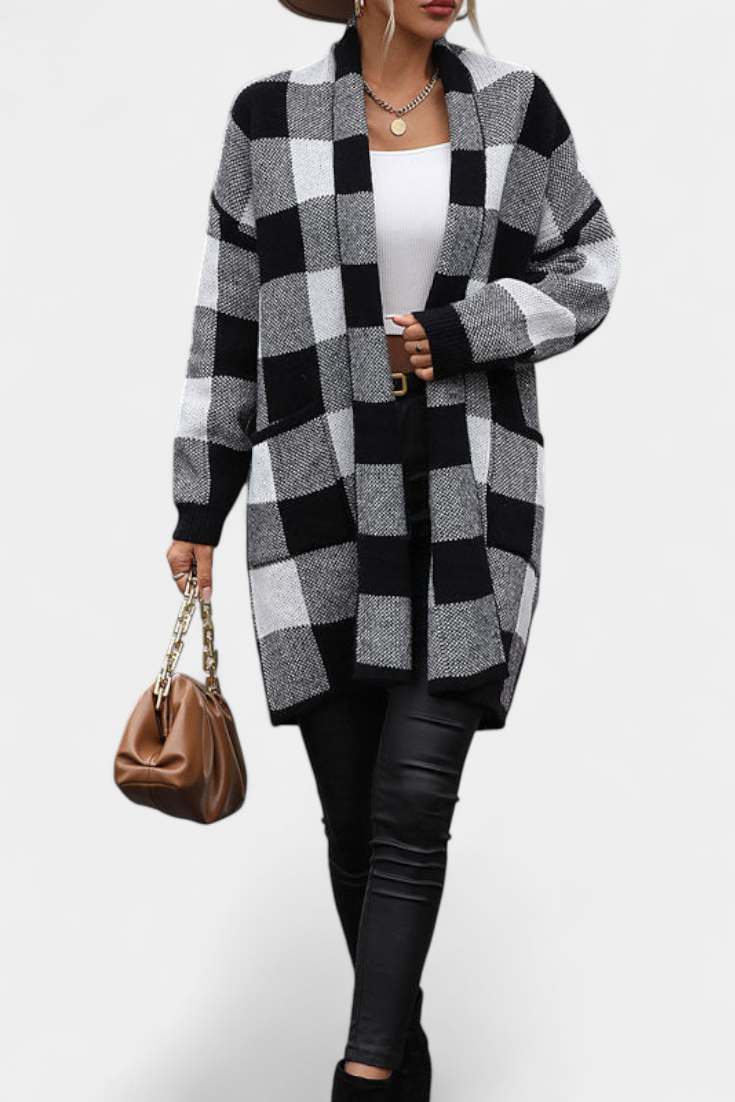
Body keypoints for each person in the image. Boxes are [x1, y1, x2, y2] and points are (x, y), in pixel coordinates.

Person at [166, 1, 620, 1097]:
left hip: (472, 497)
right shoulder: (269, 120)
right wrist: (198, 505)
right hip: (318, 496)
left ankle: (363, 1076)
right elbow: (228, 324)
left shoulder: (515, 109)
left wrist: (460, 334)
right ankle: (402, 1066)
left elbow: (590, 266)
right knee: (356, 821)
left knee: (413, 801)